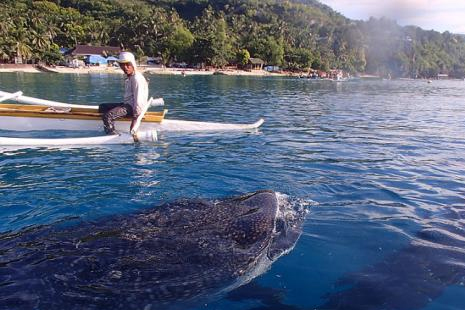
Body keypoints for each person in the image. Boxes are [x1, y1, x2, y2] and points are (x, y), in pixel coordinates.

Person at [98, 51, 148, 137]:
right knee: (102, 107)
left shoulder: (136, 78)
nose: (125, 67)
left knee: (108, 116)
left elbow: (139, 101)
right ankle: (109, 124)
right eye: (122, 65)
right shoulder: (130, 77)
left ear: (133, 64)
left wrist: (135, 119)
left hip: (132, 108)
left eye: (127, 64)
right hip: (128, 104)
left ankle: (112, 136)